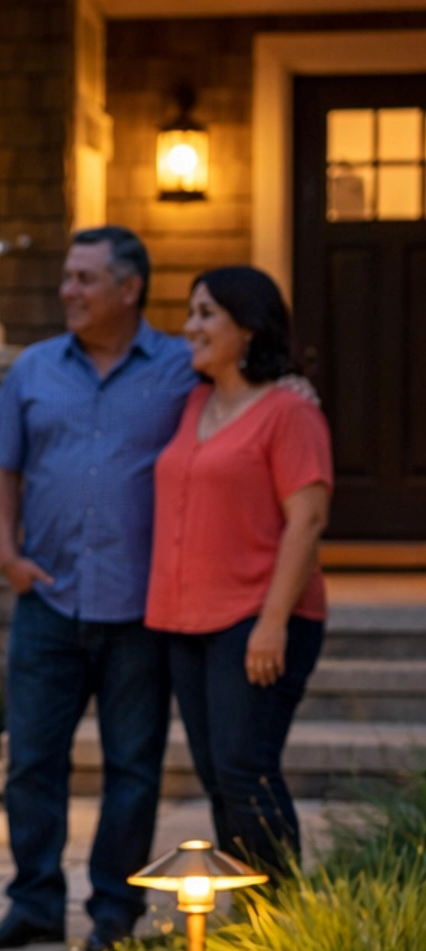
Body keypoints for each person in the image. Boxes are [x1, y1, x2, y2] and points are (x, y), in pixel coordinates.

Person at [0, 226, 198, 951]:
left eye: (84, 278)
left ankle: (113, 912)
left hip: (141, 608)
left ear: (130, 288)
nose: (67, 290)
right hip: (49, 600)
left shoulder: (183, 369)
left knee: (133, 768)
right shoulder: (33, 369)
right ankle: (33, 903)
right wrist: (8, 556)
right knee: (33, 762)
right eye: (68, 276)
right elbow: (0, 468)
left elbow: (240, 417)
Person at [145, 266, 331, 873]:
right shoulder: (195, 401)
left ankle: (283, 913)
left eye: (206, 314)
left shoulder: (290, 411)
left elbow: (307, 519)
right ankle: (251, 912)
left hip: (257, 619)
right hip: (185, 621)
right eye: (190, 312)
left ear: (247, 327)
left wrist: (272, 623)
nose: (189, 328)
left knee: (246, 770)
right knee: (219, 777)